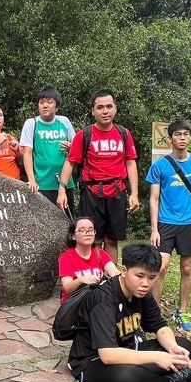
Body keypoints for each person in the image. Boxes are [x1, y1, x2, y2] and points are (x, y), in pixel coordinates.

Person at [67, 243, 191, 382]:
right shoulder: (103, 299)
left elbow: (159, 326)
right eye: (140, 276)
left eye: (151, 278)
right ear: (124, 271)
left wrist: (172, 347)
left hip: (129, 348)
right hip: (92, 360)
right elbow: (107, 355)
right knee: (128, 378)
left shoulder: (141, 293)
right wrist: (156, 357)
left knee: (184, 346)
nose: (146, 283)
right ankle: (172, 381)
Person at [57, 90, 139, 264]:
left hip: (117, 192)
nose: (105, 111)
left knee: (112, 240)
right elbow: (70, 162)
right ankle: (94, 276)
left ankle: (111, 277)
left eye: (109, 106)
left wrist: (134, 194)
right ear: (93, 111)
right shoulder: (84, 135)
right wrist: (61, 190)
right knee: (93, 239)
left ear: (115, 109)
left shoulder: (124, 133)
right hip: (92, 193)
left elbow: (130, 163)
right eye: (100, 107)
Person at [147, 120, 191, 330]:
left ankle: (182, 311)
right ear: (170, 139)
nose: (182, 138)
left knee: (187, 268)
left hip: (190, 223)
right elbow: (154, 198)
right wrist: (154, 229)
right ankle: (154, 314)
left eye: (186, 134)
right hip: (165, 223)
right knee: (160, 267)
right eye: (177, 134)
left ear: (190, 137)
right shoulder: (159, 166)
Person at [20, 85, 76, 208]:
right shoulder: (32, 123)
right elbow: (27, 153)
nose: (45, 105)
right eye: (41, 102)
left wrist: (71, 148)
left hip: (65, 183)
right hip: (42, 183)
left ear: (57, 107)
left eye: (49, 102)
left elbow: (77, 149)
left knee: (67, 218)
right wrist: (31, 180)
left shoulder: (64, 121)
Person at [58, 217, 120, 303]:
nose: (88, 233)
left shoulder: (99, 253)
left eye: (91, 230)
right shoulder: (66, 257)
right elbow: (67, 288)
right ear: (73, 236)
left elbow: (116, 274)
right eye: (82, 230)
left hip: (96, 297)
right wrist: (80, 280)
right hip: (75, 301)